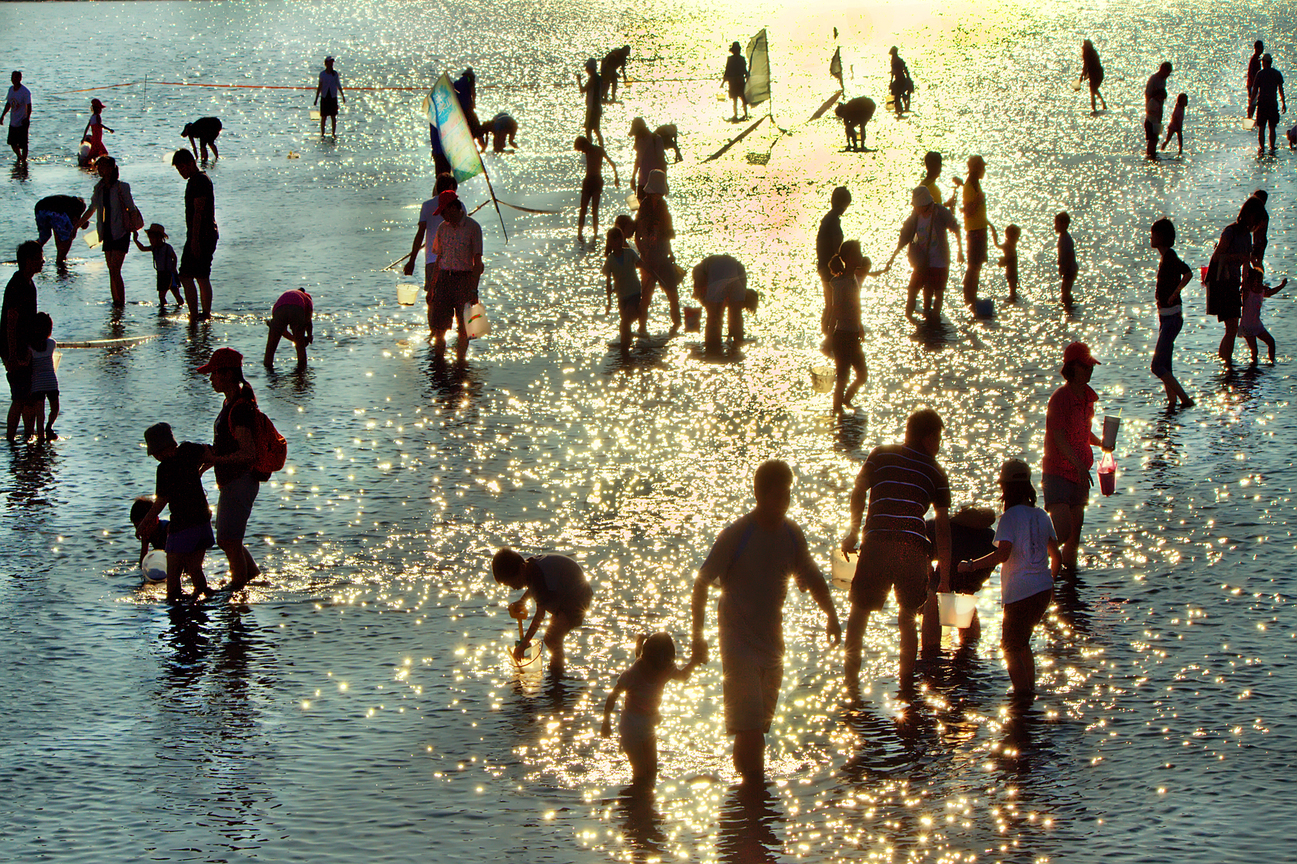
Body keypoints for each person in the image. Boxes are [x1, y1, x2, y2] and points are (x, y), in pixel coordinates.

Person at [691, 460, 841, 783]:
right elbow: (702, 582)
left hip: (773, 644)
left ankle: (744, 789)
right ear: (759, 495)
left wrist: (831, 615)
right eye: (778, 495)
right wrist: (698, 637)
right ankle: (755, 793)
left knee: (755, 726)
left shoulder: (791, 534)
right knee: (750, 728)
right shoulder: (737, 534)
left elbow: (812, 577)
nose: (784, 502)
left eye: (788, 495)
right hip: (737, 643)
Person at [842, 409, 951, 696]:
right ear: (929, 438)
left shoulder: (881, 455)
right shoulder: (936, 472)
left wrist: (853, 532)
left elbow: (859, 490)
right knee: (907, 618)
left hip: (877, 542)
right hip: (912, 549)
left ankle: (851, 687)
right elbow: (942, 528)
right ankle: (906, 689)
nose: (939, 445)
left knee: (859, 615)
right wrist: (945, 576)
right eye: (938, 439)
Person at [955, 460, 1060, 705]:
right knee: (1022, 643)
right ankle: (1030, 692)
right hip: (1043, 590)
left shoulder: (1010, 517)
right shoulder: (1042, 515)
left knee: (1009, 647)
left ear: (1006, 489)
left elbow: (1002, 554)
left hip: (1020, 592)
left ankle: (1022, 699)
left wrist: (970, 565)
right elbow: (1057, 556)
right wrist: (1049, 582)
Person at [197, 348, 264, 593]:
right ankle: (252, 578)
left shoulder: (240, 409)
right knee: (229, 539)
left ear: (227, 374)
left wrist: (215, 458)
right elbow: (229, 446)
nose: (210, 378)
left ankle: (238, 591)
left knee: (228, 540)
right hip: (233, 481)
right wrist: (209, 462)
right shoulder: (230, 403)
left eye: (214, 373)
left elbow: (248, 453)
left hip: (241, 480)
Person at [600, 633, 697, 784]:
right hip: (631, 726)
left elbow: (682, 676)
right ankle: (633, 795)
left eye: (663, 666)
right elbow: (612, 696)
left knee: (651, 773)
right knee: (640, 773)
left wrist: (694, 662)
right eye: (655, 668)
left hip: (649, 725)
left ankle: (641, 797)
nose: (657, 672)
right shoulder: (632, 675)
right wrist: (606, 722)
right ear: (646, 659)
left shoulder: (665, 668)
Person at [135, 422, 215, 603]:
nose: (156, 457)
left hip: (182, 525)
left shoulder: (164, 468)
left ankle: (175, 606)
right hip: (203, 521)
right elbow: (213, 454)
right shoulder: (188, 450)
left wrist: (144, 524)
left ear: (161, 450)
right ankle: (205, 600)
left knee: (173, 572)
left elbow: (161, 502)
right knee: (195, 568)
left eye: (155, 453)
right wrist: (200, 471)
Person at [1043, 342, 1104, 571]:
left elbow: (1083, 432)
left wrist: (1102, 443)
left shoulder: (1087, 397)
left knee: (1074, 536)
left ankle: (1068, 577)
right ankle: (1032, 559)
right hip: (1058, 472)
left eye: (1091, 367)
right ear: (1071, 368)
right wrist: (1078, 465)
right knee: (1062, 530)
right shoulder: (1061, 397)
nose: (1089, 371)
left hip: (1080, 473)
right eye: (1085, 366)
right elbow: (1059, 437)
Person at [492, 548, 592, 669]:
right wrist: (522, 601)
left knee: (552, 638)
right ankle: (557, 670)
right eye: (510, 585)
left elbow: (540, 615)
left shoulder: (537, 575)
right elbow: (534, 588)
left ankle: (557, 672)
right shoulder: (531, 566)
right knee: (552, 639)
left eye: (514, 582)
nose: (514, 587)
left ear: (522, 568)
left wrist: (524, 644)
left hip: (577, 597)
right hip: (566, 593)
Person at [918, 506, 996, 652]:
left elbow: (922, 551)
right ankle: (969, 648)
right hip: (982, 554)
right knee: (965, 594)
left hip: (959, 552)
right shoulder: (988, 533)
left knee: (932, 595)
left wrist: (928, 577)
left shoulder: (934, 527)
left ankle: (930, 651)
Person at [885, 185, 962, 319]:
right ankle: (910, 316)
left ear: (924, 204)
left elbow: (956, 228)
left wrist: (960, 251)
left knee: (938, 293)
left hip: (940, 262)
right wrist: (892, 257)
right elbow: (904, 236)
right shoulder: (915, 216)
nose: (915, 208)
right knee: (912, 290)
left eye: (916, 206)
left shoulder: (940, 212)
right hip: (921, 261)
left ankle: (934, 320)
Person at [827, 240, 884, 413]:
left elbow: (856, 306)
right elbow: (835, 311)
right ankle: (837, 412)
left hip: (853, 335)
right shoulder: (841, 283)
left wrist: (860, 327)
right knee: (842, 378)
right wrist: (829, 338)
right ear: (850, 257)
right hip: (842, 336)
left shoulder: (853, 277)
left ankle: (846, 402)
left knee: (862, 375)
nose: (861, 256)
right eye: (858, 253)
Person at [428, 190, 484, 362]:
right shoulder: (442, 228)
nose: (443, 216)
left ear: (453, 208)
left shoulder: (473, 227)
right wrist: (432, 287)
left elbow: (477, 263)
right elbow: (439, 258)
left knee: (464, 327)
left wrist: (474, 290)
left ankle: (460, 363)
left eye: (444, 212)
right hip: (444, 278)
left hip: (464, 280)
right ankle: (439, 362)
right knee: (439, 327)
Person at [78, 157, 140, 308]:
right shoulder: (99, 188)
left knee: (115, 269)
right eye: (99, 166)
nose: (99, 169)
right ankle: (116, 303)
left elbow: (132, 209)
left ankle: (121, 304)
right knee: (111, 270)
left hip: (121, 231)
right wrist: (76, 225)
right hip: (106, 233)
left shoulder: (122, 187)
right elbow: (92, 209)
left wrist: (134, 230)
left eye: (103, 166)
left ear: (111, 168)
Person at [1205, 206, 1260, 365]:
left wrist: (1246, 285)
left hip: (1234, 283)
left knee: (1232, 328)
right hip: (1222, 283)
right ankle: (1227, 363)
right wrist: (1237, 256)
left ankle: (1225, 363)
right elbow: (1217, 257)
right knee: (1231, 327)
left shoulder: (1247, 236)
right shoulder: (1230, 232)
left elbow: (1246, 263)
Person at [1149, 218, 1194, 408]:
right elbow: (1187, 273)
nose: (1151, 238)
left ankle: (1186, 400)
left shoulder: (1170, 257)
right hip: (1166, 317)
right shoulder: (1166, 257)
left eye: (1153, 234)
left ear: (1161, 237)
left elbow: (1188, 273)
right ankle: (1172, 403)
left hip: (1171, 318)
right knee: (1166, 365)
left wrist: (1176, 292)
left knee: (1157, 366)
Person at [171, 149, 218, 322]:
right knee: (201, 275)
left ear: (191, 163)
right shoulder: (196, 180)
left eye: (182, 168)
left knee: (187, 275)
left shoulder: (199, 180)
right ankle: (203, 313)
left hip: (202, 234)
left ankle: (197, 314)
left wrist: (194, 239)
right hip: (204, 233)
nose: (181, 172)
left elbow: (198, 211)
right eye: (178, 169)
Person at [2, 241, 41, 443]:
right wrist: (12, 355)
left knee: (30, 395)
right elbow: (11, 322)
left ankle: (28, 437)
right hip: (13, 347)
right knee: (19, 396)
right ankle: (10, 439)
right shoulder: (17, 285)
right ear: (28, 261)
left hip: (25, 347)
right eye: (39, 258)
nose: (42, 262)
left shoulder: (30, 284)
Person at [634, 169, 681, 334]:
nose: (659, 196)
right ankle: (642, 327)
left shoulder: (663, 206)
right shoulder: (644, 207)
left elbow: (667, 232)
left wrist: (670, 253)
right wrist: (643, 253)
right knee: (646, 294)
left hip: (662, 255)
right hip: (648, 257)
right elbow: (638, 234)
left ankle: (677, 323)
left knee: (672, 290)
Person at [692, 254, 747, 353]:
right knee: (736, 313)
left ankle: (713, 347)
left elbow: (699, 288)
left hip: (719, 273)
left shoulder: (698, 269)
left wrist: (705, 301)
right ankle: (737, 343)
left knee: (713, 316)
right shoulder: (709, 263)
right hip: (739, 269)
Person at [817, 186, 850, 334]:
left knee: (828, 302)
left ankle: (826, 334)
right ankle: (829, 334)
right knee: (832, 303)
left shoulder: (827, 219)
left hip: (823, 264)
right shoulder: (834, 221)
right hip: (829, 267)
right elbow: (837, 247)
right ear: (844, 203)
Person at [958, 155, 989, 307]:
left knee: (977, 266)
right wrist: (979, 200)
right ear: (976, 169)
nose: (984, 170)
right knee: (973, 266)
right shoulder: (969, 186)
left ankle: (972, 298)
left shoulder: (975, 185)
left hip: (980, 230)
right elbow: (969, 211)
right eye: (982, 167)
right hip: (975, 232)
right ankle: (969, 298)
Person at [603, 227, 641, 348]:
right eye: (614, 240)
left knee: (625, 321)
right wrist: (609, 303)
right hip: (621, 296)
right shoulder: (610, 260)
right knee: (625, 324)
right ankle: (627, 344)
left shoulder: (630, 253)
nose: (618, 242)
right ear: (610, 242)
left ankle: (624, 348)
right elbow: (608, 283)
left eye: (620, 239)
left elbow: (642, 265)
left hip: (634, 292)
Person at [1240, 265, 1286, 365]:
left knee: (1271, 342)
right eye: (1257, 282)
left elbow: (1271, 292)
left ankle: (1272, 363)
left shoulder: (1261, 292)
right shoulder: (1247, 292)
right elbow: (1245, 275)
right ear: (1250, 282)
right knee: (1254, 350)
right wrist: (1246, 260)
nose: (1259, 284)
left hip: (1257, 325)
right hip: (1247, 326)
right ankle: (1253, 368)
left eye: (1261, 282)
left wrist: (1281, 286)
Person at [576, 136, 619, 242]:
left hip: (596, 181)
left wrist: (616, 178)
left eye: (582, 149)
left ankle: (595, 234)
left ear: (585, 145)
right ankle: (580, 234)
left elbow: (612, 163)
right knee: (583, 209)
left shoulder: (599, 150)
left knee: (594, 209)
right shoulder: (588, 151)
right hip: (588, 181)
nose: (582, 152)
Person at [132, 223, 183, 308]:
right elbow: (142, 248)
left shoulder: (167, 247)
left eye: (152, 238)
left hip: (169, 274)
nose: (151, 241)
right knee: (161, 296)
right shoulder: (154, 248)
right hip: (161, 274)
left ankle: (179, 307)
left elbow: (174, 257)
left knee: (175, 294)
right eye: (150, 238)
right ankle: (164, 309)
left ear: (159, 237)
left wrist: (173, 268)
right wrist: (136, 240)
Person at [264, 287, 314, 369]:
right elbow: (308, 321)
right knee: (300, 346)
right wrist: (308, 337)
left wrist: (293, 339)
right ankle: (302, 369)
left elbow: (282, 331)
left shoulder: (287, 294)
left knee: (271, 345)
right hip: (297, 309)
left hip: (279, 309)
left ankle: (267, 367)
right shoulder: (307, 299)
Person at [26, 313, 58, 442]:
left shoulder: (30, 347)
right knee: (54, 408)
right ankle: (48, 428)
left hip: (38, 383)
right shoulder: (51, 343)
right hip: (50, 381)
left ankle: (41, 437)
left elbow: (27, 362)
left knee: (40, 414)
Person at [1250, 54, 1285, 155]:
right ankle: (1272, 147)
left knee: (1261, 127)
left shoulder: (1260, 74)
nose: (1262, 63)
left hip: (1262, 104)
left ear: (1265, 62)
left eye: (1262, 62)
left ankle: (1262, 148)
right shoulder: (1277, 74)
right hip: (1272, 103)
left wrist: (1251, 104)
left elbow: (1255, 90)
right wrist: (1283, 103)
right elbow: (1281, 89)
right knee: (1272, 127)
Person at [34, 195, 84, 265]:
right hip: (56, 212)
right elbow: (75, 222)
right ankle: (60, 261)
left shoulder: (65, 201)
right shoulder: (79, 206)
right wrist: (80, 226)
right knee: (68, 237)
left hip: (40, 209)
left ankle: (31, 254)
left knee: (44, 237)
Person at [629, 117, 667, 200]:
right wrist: (633, 177)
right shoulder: (639, 141)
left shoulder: (656, 139)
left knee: (655, 206)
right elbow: (638, 160)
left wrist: (665, 181)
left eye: (636, 133)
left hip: (655, 183)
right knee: (642, 205)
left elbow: (662, 162)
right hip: (642, 182)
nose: (636, 136)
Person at [130, 496, 170, 572]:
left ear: (156, 520)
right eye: (136, 527)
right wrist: (144, 542)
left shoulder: (167, 530)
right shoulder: (147, 536)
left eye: (143, 527)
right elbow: (142, 563)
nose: (141, 532)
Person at [1143, 62, 1172, 160]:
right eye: (1167, 72)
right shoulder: (1154, 79)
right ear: (1163, 70)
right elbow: (1148, 94)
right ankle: (1150, 156)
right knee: (1152, 138)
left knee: (1156, 137)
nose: (1168, 75)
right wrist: (1149, 108)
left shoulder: (1163, 81)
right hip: (1152, 113)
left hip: (1158, 113)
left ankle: (1153, 156)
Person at [2, 70, 32, 161]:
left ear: (20, 78)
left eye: (15, 77)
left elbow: (29, 106)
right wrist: (2, 116)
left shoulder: (25, 92)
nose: (13, 80)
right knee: (12, 143)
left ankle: (24, 161)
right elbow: (8, 104)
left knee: (23, 144)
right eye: (12, 77)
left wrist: (27, 118)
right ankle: (19, 157)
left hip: (22, 121)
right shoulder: (11, 89)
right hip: (13, 121)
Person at [313, 56, 344, 135]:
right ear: (326, 64)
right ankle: (322, 133)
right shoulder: (322, 74)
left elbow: (338, 85)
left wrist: (342, 96)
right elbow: (320, 87)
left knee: (333, 116)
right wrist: (316, 99)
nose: (331, 64)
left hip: (333, 97)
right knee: (324, 117)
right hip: (325, 97)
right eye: (330, 63)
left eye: (332, 63)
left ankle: (333, 133)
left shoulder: (335, 74)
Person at [578, 59, 604, 147]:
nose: (586, 69)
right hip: (597, 107)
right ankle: (601, 146)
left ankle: (590, 147)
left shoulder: (593, 79)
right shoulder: (599, 79)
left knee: (588, 130)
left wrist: (579, 80)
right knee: (596, 130)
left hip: (592, 108)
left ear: (591, 68)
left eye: (587, 68)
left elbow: (582, 90)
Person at [991, 223, 1020, 303]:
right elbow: (998, 246)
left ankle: (1013, 296)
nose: (1017, 240)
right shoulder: (1008, 245)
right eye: (1016, 237)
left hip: (1013, 269)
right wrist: (994, 234)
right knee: (1012, 284)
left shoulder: (1011, 245)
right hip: (1011, 269)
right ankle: (1012, 297)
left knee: (1012, 284)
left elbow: (997, 245)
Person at [722, 41, 749, 121]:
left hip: (734, 81)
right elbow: (744, 70)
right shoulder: (741, 59)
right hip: (739, 81)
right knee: (740, 99)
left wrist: (724, 81)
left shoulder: (731, 59)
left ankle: (739, 115)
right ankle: (743, 114)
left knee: (738, 99)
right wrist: (747, 76)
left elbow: (727, 71)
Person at [81, 98, 113, 164]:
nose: (101, 110)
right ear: (96, 109)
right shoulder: (97, 116)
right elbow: (99, 125)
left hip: (95, 138)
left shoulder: (92, 117)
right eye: (100, 108)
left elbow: (87, 128)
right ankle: (86, 163)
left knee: (95, 153)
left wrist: (83, 137)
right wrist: (109, 129)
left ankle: (91, 164)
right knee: (102, 153)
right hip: (97, 138)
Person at [1056, 211, 1077, 307]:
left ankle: (1069, 307)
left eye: (1057, 224)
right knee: (1064, 290)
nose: (1055, 226)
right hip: (1068, 269)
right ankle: (1068, 305)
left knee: (1065, 291)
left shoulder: (1066, 239)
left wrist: (1064, 268)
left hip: (1070, 270)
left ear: (1064, 225)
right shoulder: (1062, 237)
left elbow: (1069, 255)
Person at [1079, 40, 1106, 112]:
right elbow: (1086, 65)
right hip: (1096, 72)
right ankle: (1100, 104)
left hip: (1096, 73)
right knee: (1094, 90)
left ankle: (1095, 107)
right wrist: (1083, 75)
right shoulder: (1092, 52)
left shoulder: (1088, 53)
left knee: (1093, 90)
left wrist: (1082, 76)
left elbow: (1086, 65)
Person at [888, 47, 913, 115]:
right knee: (898, 94)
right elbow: (905, 69)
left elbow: (894, 72)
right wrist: (908, 78)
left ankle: (899, 110)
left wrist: (891, 82)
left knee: (897, 95)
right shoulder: (898, 60)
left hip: (900, 79)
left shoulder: (895, 61)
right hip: (900, 79)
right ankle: (901, 108)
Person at [1247, 41, 1264, 119]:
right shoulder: (1254, 60)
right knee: (1252, 103)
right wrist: (1256, 85)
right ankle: (1249, 119)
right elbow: (1253, 74)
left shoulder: (1257, 59)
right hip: (1252, 85)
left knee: (1254, 103)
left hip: (1254, 85)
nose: (1262, 49)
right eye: (1261, 47)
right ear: (1256, 48)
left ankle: (1251, 118)